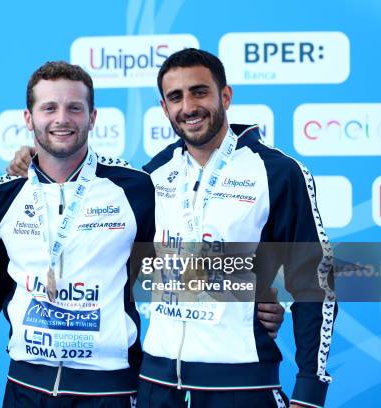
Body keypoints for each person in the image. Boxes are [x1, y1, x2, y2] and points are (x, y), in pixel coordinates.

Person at [137, 49, 337, 408]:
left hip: (241, 388)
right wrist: (33, 161)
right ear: (165, 108)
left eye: (200, 92)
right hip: (157, 385)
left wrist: (309, 391)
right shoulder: (152, 174)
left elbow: (316, 282)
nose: (189, 106)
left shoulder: (277, 172)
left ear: (224, 96)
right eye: (175, 97)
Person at [0, 61, 156, 407]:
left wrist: (263, 292)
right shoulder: (1, 198)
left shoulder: (134, 189)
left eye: (74, 108)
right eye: (49, 108)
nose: (62, 119)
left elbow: (174, 265)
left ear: (92, 117)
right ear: (29, 119)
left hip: (109, 388)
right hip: (26, 387)